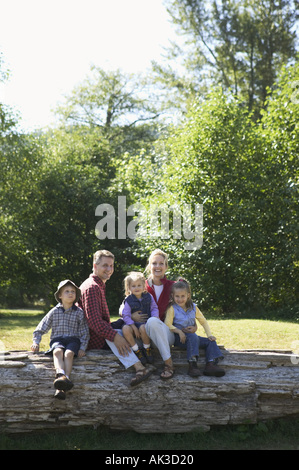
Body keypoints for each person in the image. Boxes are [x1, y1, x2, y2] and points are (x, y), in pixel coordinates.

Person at [79, 250, 154, 386]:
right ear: (95, 266)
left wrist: (130, 318)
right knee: (120, 334)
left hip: (98, 333)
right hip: (93, 339)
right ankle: (140, 367)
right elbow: (94, 323)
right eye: (105, 265)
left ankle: (145, 357)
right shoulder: (92, 287)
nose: (109, 269)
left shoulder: (98, 285)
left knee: (128, 328)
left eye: (111, 266)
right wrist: (115, 337)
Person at [31, 280, 89, 400]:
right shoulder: (54, 312)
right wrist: (36, 342)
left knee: (68, 353)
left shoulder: (79, 313)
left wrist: (83, 347)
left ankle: (65, 380)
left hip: (73, 340)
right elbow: (41, 328)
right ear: (60, 296)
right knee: (57, 352)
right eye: (67, 291)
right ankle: (61, 375)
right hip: (58, 339)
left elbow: (84, 332)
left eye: (73, 291)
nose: (70, 293)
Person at [128, 249, 176, 380]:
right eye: (154, 263)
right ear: (149, 266)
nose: (158, 266)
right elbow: (125, 305)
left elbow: (186, 308)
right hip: (144, 335)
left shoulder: (173, 286)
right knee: (120, 331)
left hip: (167, 334)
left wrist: (192, 325)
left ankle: (168, 363)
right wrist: (131, 316)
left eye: (161, 263)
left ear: (166, 266)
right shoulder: (139, 285)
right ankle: (140, 367)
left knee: (153, 321)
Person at [164, 278, 225, 377]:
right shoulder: (172, 308)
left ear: (188, 295)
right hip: (179, 338)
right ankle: (193, 365)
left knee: (210, 341)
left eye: (183, 296)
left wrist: (209, 335)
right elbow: (167, 324)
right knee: (193, 337)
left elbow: (203, 321)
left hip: (193, 338)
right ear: (172, 296)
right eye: (177, 296)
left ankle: (211, 365)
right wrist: (179, 331)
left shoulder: (193, 307)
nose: (180, 299)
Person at [122, 271, 159, 365]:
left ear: (144, 286)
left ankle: (147, 349)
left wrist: (155, 318)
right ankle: (137, 351)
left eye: (139, 285)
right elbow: (125, 315)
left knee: (143, 327)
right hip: (132, 324)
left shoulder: (148, 297)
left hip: (146, 323)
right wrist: (133, 327)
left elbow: (154, 308)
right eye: (133, 286)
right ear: (129, 288)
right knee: (125, 329)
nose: (137, 288)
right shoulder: (128, 300)